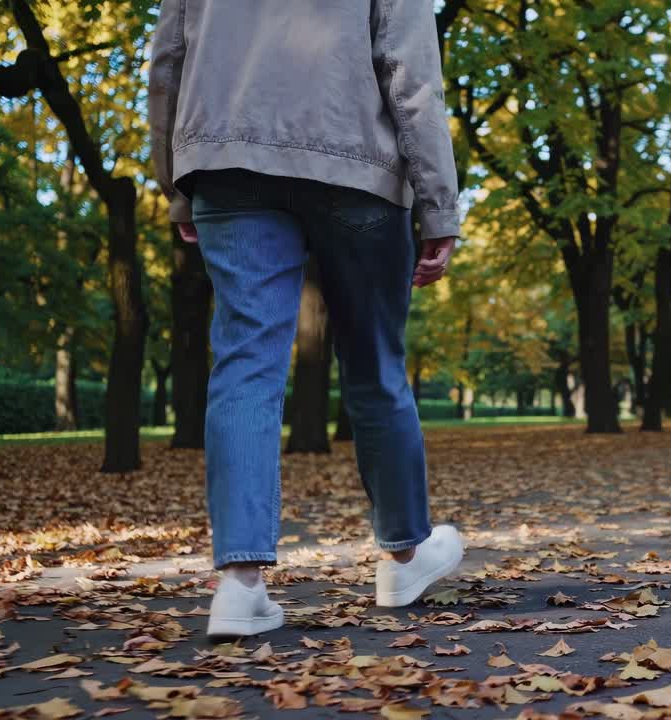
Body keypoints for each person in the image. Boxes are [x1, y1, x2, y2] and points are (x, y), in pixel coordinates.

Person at [149, 0, 464, 638]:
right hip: (356, 164)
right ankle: (404, 556)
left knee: (245, 363)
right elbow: (410, 72)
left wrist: (176, 183)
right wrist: (438, 205)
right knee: (375, 363)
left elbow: (167, 62)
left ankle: (239, 587)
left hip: (226, 161)